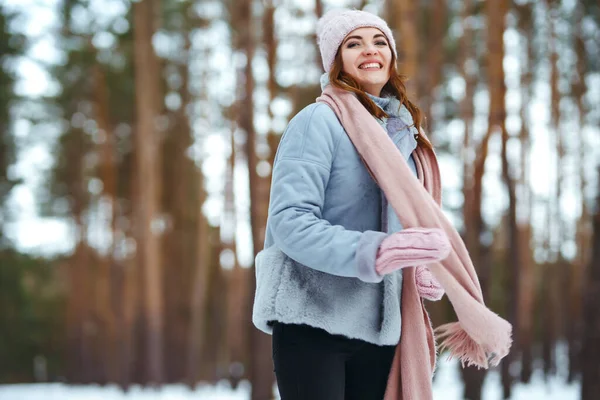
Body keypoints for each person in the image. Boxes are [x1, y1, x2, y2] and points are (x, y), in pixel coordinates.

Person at [252, 8, 512, 400]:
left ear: (391, 55)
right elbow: (290, 222)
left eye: (379, 42)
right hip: (313, 321)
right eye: (353, 43)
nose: (369, 50)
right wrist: (376, 251)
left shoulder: (405, 137)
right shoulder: (317, 121)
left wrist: (415, 263)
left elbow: (402, 217)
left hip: (381, 325)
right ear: (335, 60)